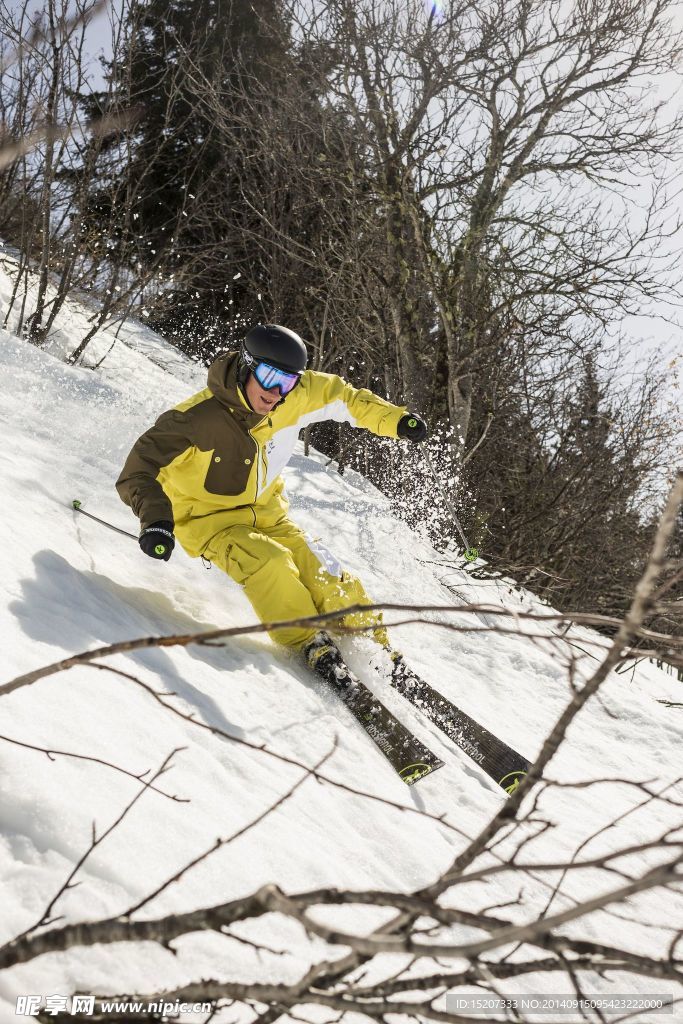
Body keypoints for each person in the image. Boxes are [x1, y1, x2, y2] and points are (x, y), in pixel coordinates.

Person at [116, 324, 427, 681]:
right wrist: (156, 521)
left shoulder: (292, 397)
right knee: (270, 563)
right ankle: (309, 640)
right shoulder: (196, 419)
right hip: (210, 523)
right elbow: (138, 469)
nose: (276, 392)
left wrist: (395, 420)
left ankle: (375, 647)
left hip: (269, 514)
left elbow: (347, 398)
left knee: (324, 571)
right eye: (267, 377)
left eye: (288, 382)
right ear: (247, 366)